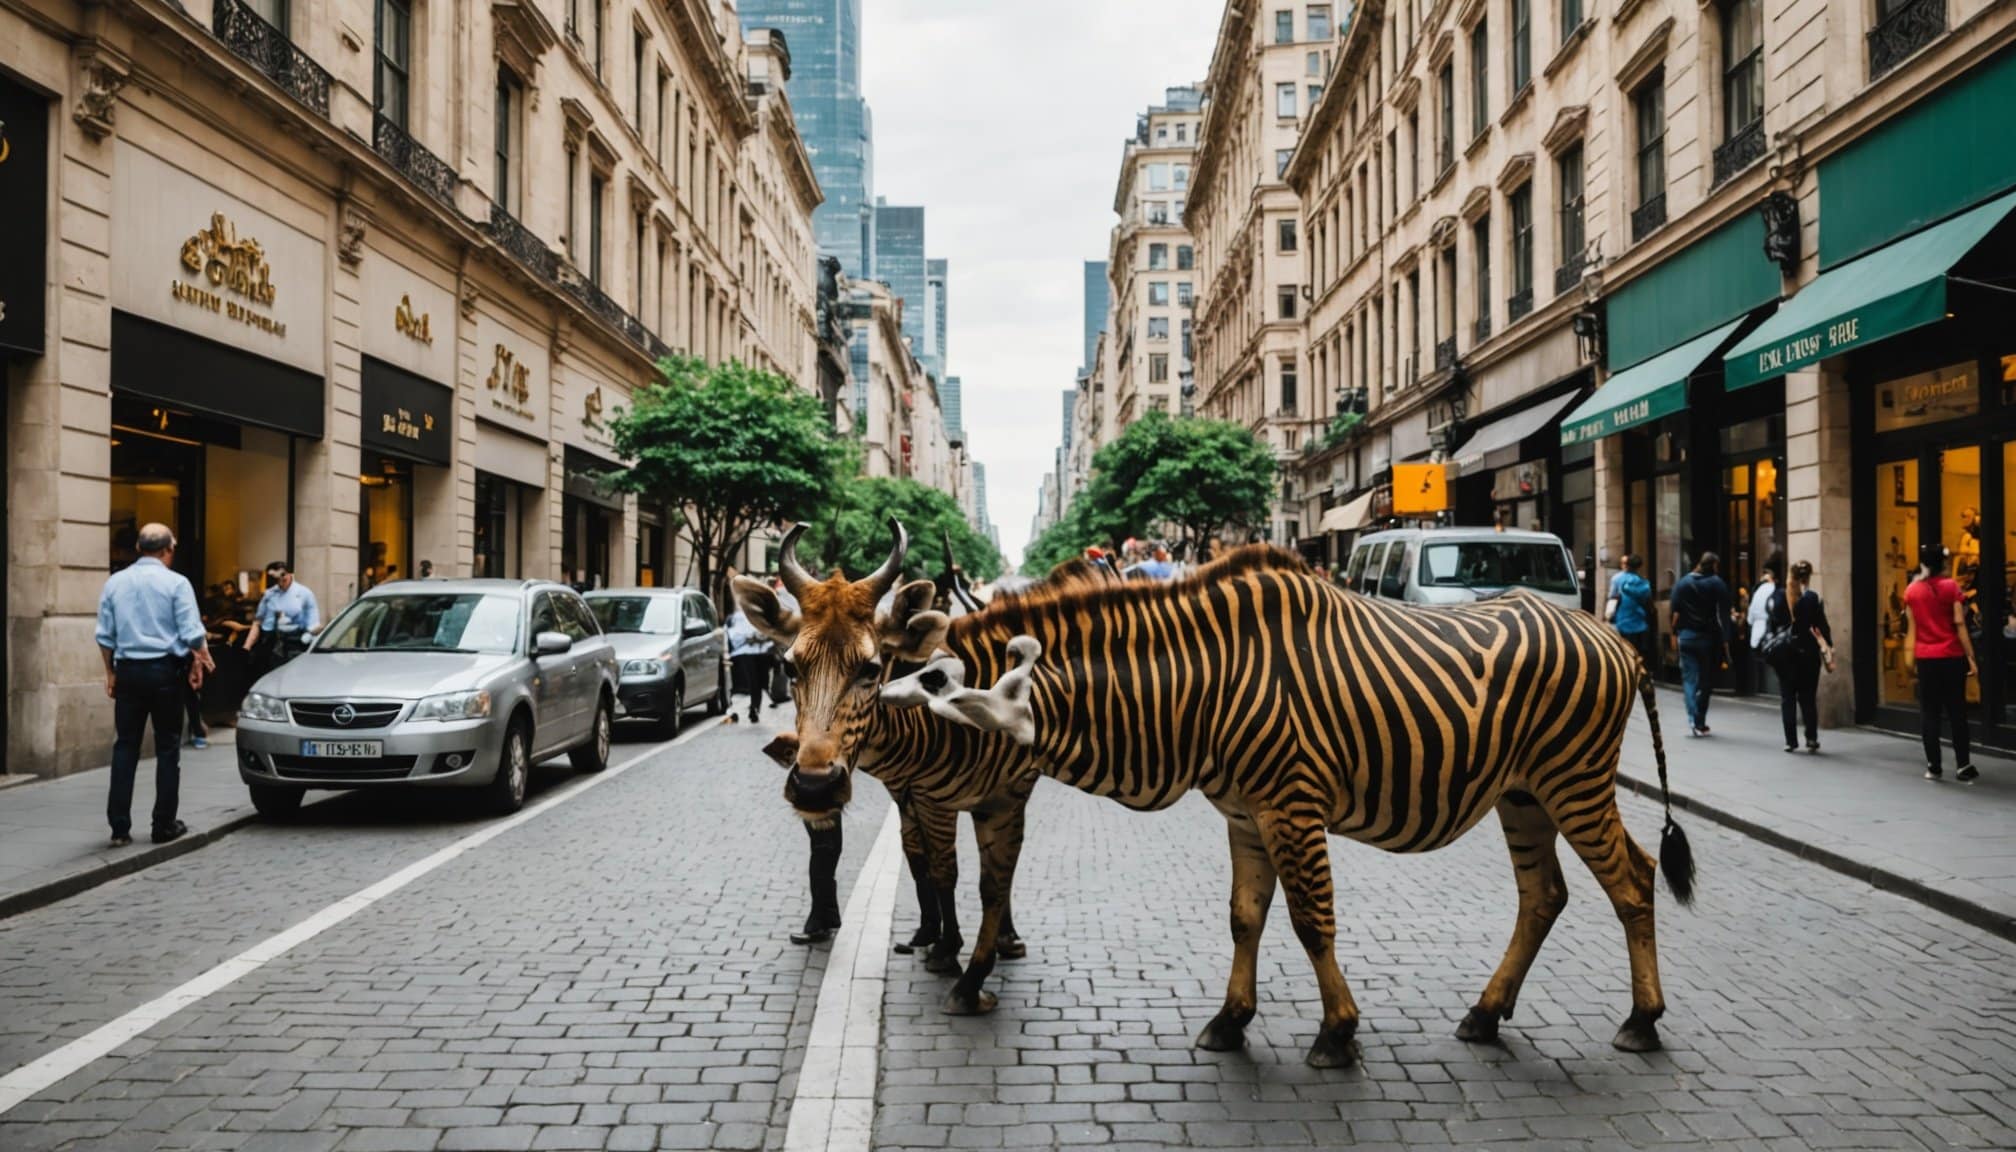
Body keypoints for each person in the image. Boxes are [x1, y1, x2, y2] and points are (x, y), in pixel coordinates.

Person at [95, 524, 215, 848]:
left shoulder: (115, 583)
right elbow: (191, 631)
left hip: (129, 671)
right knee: (167, 747)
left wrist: (110, 672)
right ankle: (163, 825)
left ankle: (119, 827)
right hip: (164, 672)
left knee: (125, 747)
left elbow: (105, 635)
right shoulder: (176, 583)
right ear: (169, 550)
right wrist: (202, 658)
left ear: (138, 547)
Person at [1906, 543, 1978, 782]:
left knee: (1930, 712)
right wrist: (1970, 656)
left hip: (1926, 658)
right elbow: (1959, 623)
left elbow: (1912, 630)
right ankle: (1963, 765)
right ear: (1943, 564)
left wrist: (1910, 661)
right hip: (1951, 657)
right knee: (1957, 711)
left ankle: (1933, 766)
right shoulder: (1951, 587)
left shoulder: (1912, 591)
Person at [1766, 560, 1834, 753]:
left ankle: (1790, 741)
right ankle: (1811, 738)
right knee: (1808, 697)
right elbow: (1822, 626)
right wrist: (1829, 647)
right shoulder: (1813, 598)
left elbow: (1772, 624)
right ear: (1808, 577)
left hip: (1785, 655)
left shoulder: (1778, 596)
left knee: (1787, 697)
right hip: (1808, 655)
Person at [1669, 552, 1731, 737]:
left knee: (1689, 680)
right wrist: (1726, 640)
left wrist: (1674, 634)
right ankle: (1699, 720)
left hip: (1686, 638)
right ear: (1713, 565)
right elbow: (1724, 614)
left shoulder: (1682, 583)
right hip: (1707, 639)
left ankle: (1692, 717)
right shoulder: (1716, 583)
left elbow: (1674, 611)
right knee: (1705, 682)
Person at [243, 561, 320, 668]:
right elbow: (257, 622)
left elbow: (314, 625)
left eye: (283, 575)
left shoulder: (305, 593)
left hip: (298, 646)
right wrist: (247, 646)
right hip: (274, 647)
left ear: (289, 574)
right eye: (274, 577)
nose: (280, 579)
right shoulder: (269, 594)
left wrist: (308, 639)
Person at [725, 606, 774, 725]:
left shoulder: (758, 614)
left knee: (757, 681)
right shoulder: (736, 618)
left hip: (760, 652)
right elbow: (732, 636)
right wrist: (748, 638)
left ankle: (754, 707)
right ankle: (752, 708)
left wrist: (760, 638)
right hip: (745, 653)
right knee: (752, 681)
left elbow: (770, 633)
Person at [1607, 555, 1655, 670]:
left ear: (1626, 564)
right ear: (1639, 567)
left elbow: (1611, 598)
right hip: (1641, 624)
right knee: (1639, 653)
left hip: (1622, 622)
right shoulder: (1644, 583)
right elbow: (1649, 604)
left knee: (1624, 652)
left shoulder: (1617, 579)